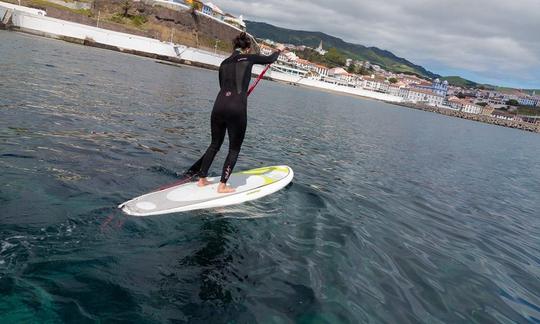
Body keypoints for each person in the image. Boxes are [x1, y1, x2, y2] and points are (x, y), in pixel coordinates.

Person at [184, 33, 281, 193]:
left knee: (214, 144)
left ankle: (202, 179)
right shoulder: (249, 58)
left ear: (234, 47)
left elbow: (223, 86)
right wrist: (279, 50)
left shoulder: (223, 63)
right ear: (247, 48)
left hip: (219, 105)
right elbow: (270, 59)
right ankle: (222, 185)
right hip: (237, 108)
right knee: (234, 149)